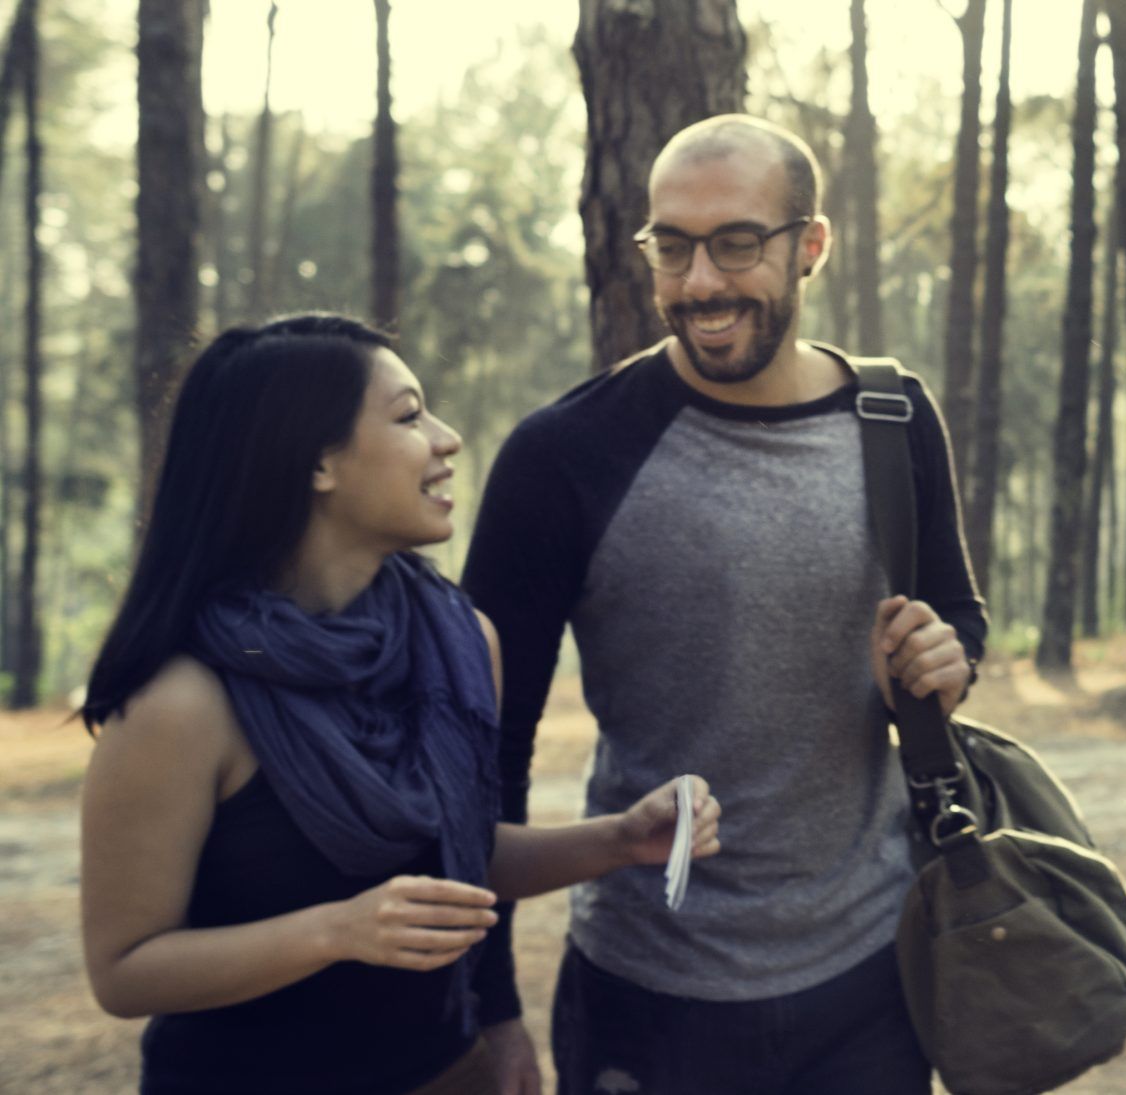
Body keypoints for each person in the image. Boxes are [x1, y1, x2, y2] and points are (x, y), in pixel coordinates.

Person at [461, 114, 987, 1094]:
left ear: (810, 247)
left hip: (868, 982)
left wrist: (942, 661)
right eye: (672, 245)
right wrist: (488, 1010)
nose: (700, 281)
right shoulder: (560, 458)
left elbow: (957, 615)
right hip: (643, 991)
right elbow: (479, 755)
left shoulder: (894, 417)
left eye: (737, 242)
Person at [77, 314, 722, 1095]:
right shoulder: (183, 703)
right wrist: (335, 931)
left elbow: (454, 856)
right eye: (411, 415)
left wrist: (618, 840)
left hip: (448, 1072)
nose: (446, 439)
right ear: (317, 461)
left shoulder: (457, 640)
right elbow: (125, 969)